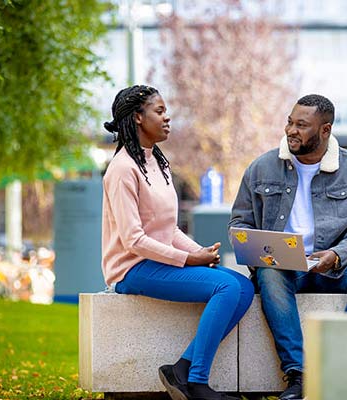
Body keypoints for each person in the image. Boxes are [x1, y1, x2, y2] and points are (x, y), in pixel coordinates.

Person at [230, 94, 347, 400]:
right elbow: (240, 224)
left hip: (336, 262)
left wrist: (338, 254)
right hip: (284, 264)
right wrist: (259, 252)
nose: (291, 130)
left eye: (301, 125)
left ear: (325, 130)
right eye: (290, 122)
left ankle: (340, 371)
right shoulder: (261, 167)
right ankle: (298, 375)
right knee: (269, 274)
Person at [101, 85, 254, 400]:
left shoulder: (158, 162)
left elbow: (167, 228)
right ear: (139, 118)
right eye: (159, 111)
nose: (167, 117)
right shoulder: (121, 170)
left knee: (244, 287)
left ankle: (180, 369)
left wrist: (196, 252)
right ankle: (197, 382)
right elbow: (133, 239)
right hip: (132, 269)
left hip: (159, 262)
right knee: (225, 288)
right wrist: (187, 261)